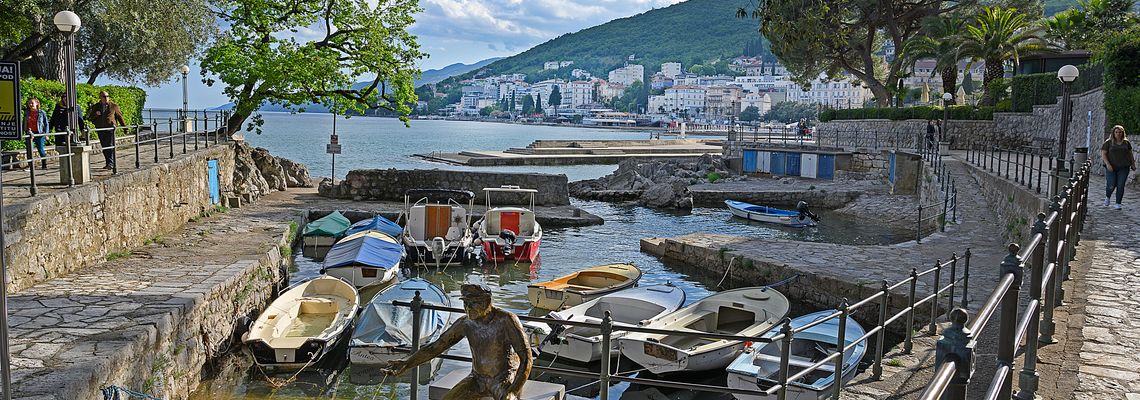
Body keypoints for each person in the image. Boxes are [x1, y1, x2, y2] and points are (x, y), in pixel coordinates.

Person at [383, 284, 532, 400]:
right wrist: (406, 363)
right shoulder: (465, 324)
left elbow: (526, 358)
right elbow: (436, 347)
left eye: (473, 303)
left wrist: (513, 389)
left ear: (487, 302)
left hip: (503, 377)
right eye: (465, 303)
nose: (468, 308)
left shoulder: (506, 320)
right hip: (477, 378)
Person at [86, 91, 126, 170]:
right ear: (100, 97)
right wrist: (95, 115)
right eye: (104, 96)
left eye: (107, 96)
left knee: (110, 145)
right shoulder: (96, 106)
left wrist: (125, 128)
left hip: (110, 129)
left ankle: (111, 163)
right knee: (104, 146)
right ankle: (108, 163)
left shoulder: (114, 106)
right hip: (100, 128)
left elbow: (120, 117)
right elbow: (90, 118)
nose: (106, 98)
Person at [1100, 124, 1136, 209]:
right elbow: (1103, 154)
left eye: (1120, 132)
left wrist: (1133, 164)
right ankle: (1108, 197)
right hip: (1111, 167)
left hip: (1124, 167)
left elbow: (1130, 154)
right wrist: (1108, 164)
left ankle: (1118, 203)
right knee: (1111, 184)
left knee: (1120, 185)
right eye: (1116, 132)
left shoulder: (1126, 143)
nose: (1118, 134)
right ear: (1113, 133)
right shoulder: (1108, 143)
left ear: (1122, 133)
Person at [24, 97, 49, 169]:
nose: (30, 104)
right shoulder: (27, 113)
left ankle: (44, 164)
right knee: (29, 149)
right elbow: (24, 122)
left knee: (40, 149)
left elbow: (46, 123)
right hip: (29, 133)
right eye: (29, 103)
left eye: (32, 103)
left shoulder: (41, 112)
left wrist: (46, 134)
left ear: (37, 103)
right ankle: (30, 165)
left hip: (39, 132)